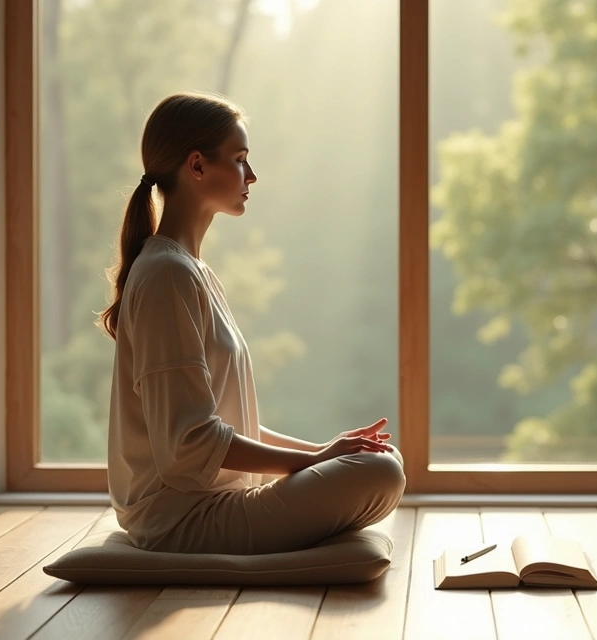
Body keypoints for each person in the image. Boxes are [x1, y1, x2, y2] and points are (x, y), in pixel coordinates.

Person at [98, 91, 405, 555]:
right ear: (197, 166)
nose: (252, 176)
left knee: (380, 461)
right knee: (382, 473)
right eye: (240, 160)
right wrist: (314, 460)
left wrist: (324, 450)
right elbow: (188, 446)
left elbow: (225, 424)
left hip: (213, 501)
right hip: (180, 518)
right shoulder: (166, 274)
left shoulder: (190, 270)